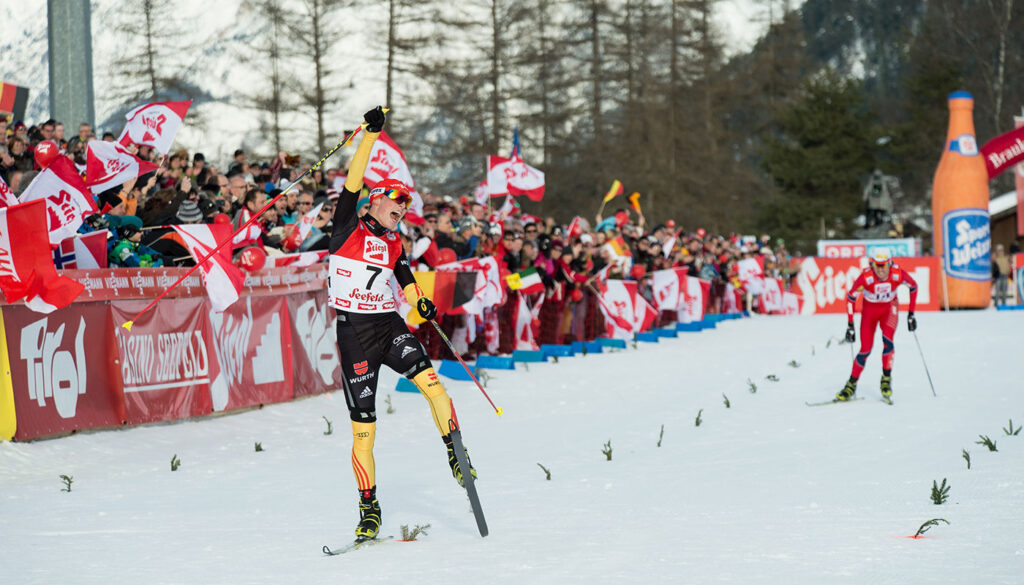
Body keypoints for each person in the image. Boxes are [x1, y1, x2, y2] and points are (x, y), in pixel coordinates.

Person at [328, 107, 475, 541]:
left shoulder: (395, 242)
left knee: (434, 385)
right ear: (376, 201)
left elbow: (406, 278)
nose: (403, 209)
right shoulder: (346, 228)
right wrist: (370, 135)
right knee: (364, 432)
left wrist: (419, 301)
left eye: (407, 205)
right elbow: (354, 178)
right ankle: (369, 507)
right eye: (397, 201)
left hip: (389, 326)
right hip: (354, 334)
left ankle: (455, 451)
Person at [836, 249, 918, 404]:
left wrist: (911, 314)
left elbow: (913, 286)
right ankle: (851, 384)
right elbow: (850, 298)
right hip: (870, 312)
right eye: (876, 265)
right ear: (871, 264)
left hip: (889, 310)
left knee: (888, 341)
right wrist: (850, 324)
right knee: (865, 349)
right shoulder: (866, 278)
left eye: (884, 265)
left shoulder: (897, 274)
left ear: (890, 263)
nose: (880, 270)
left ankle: (886, 378)